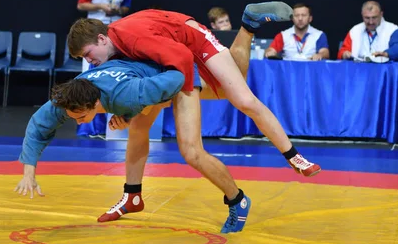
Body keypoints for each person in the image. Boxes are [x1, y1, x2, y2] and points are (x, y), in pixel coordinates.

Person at [65, 2, 321, 224]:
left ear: (101, 39)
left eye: (88, 55)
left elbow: (182, 61)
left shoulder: (131, 39)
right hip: (167, 52)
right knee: (139, 127)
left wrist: (162, 100)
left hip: (190, 41)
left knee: (241, 98)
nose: (90, 62)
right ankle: (132, 194)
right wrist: (134, 112)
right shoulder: (111, 51)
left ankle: (293, 155)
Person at [14, 59, 250, 233]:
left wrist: (132, 112)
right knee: (137, 131)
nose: (77, 122)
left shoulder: (127, 95)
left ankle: (237, 199)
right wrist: (29, 173)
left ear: (96, 103)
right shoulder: (67, 99)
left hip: (176, 71)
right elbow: (38, 127)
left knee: (191, 151)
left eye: (81, 117)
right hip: (143, 76)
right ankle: (133, 197)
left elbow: (175, 80)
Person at [75, 0, 132, 137]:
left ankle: (108, 128)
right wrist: (101, 6)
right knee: (89, 79)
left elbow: (127, 8)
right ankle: (88, 128)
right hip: (94, 33)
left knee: (110, 81)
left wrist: (117, 9)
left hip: (113, 35)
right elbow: (81, 5)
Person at [337, 1, 398, 112]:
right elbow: (343, 51)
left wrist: (387, 53)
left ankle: (396, 125)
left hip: (389, 80)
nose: (370, 22)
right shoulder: (355, 30)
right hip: (361, 80)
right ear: (362, 15)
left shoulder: (392, 29)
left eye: (374, 18)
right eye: (367, 18)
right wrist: (344, 54)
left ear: (381, 14)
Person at [264, 3, 330, 61]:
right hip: (288, 72)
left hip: (310, 72)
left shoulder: (319, 35)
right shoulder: (283, 35)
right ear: (292, 18)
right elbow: (270, 50)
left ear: (310, 18)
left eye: (303, 15)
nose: (300, 19)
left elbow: (325, 52)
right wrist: (270, 52)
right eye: (297, 15)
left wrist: (320, 55)